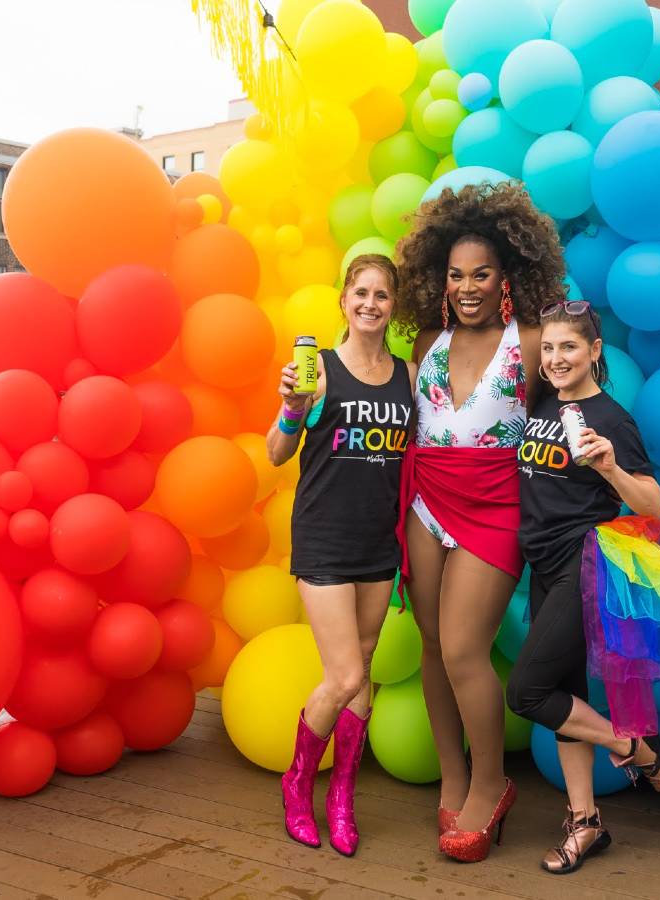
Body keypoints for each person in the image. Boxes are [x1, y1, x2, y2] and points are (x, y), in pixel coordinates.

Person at [393, 181, 565, 862]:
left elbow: (571, 407)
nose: (467, 287)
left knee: (466, 649)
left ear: (508, 276)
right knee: (433, 646)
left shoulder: (529, 341)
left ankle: (491, 785)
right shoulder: (426, 339)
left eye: (482, 273)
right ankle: (455, 774)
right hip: (426, 501)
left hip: (496, 508)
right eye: (456, 274)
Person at [506, 300, 660, 875]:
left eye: (569, 348)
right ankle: (585, 824)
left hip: (584, 565)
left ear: (595, 352)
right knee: (563, 691)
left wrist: (609, 467)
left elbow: (655, 505)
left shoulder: (610, 419)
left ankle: (631, 747)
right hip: (543, 561)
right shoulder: (539, 400)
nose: (556, 359)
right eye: (549, 348)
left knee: (527, 691)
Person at [267, 254, 414, 857]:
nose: (371, 304)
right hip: (324, 537)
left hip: (380, 540)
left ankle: (342, 797)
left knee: (367, 667)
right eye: (361, 293)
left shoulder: (408, 376)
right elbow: (277, 452)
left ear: (393, 304)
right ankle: (299, 782)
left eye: (382, 294)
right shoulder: (318, 370)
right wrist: (292, 409)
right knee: (345, 674)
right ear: (344, 301)